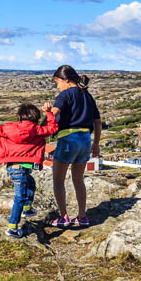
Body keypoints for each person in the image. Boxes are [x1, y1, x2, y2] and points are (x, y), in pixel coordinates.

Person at [0, 103, 58, 237]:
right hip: (22, 168)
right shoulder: (37, 130)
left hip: (13, 167)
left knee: (31, 183)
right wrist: (48, 112)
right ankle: (12, 227)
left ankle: (27, 209)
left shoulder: (8, 128)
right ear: (36, 117)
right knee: (20, 197)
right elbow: (53, 128)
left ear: (19, 117)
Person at [43, 65, 101, 228]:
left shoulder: (65, 94)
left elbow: (53, 115)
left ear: (66, 80)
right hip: (85, 140)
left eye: (57, 82)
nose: (57, 86)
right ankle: (82, 216)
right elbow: (97, 121)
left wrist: (38, 131)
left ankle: (64, 217)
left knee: (58, 180)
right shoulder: (88, 96)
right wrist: (96, 143)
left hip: (68, 139)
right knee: (78, 179)